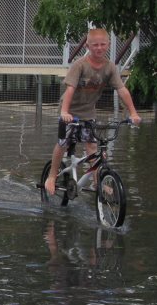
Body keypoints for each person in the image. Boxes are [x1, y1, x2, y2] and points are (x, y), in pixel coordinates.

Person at [44, 28, 141, 195]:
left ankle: (98, 183)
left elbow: (122, 90)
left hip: (89, 112)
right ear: (88, 45)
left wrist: (133, 113)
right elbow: (70, 90)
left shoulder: (110, 67)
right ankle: (52, 176)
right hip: (70, 111)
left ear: (108, 45)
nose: (99, 48)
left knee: (92, 146)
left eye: (103, 44)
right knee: (63, 142)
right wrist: (65, 112)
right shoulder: (80, 65)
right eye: (95, 45)